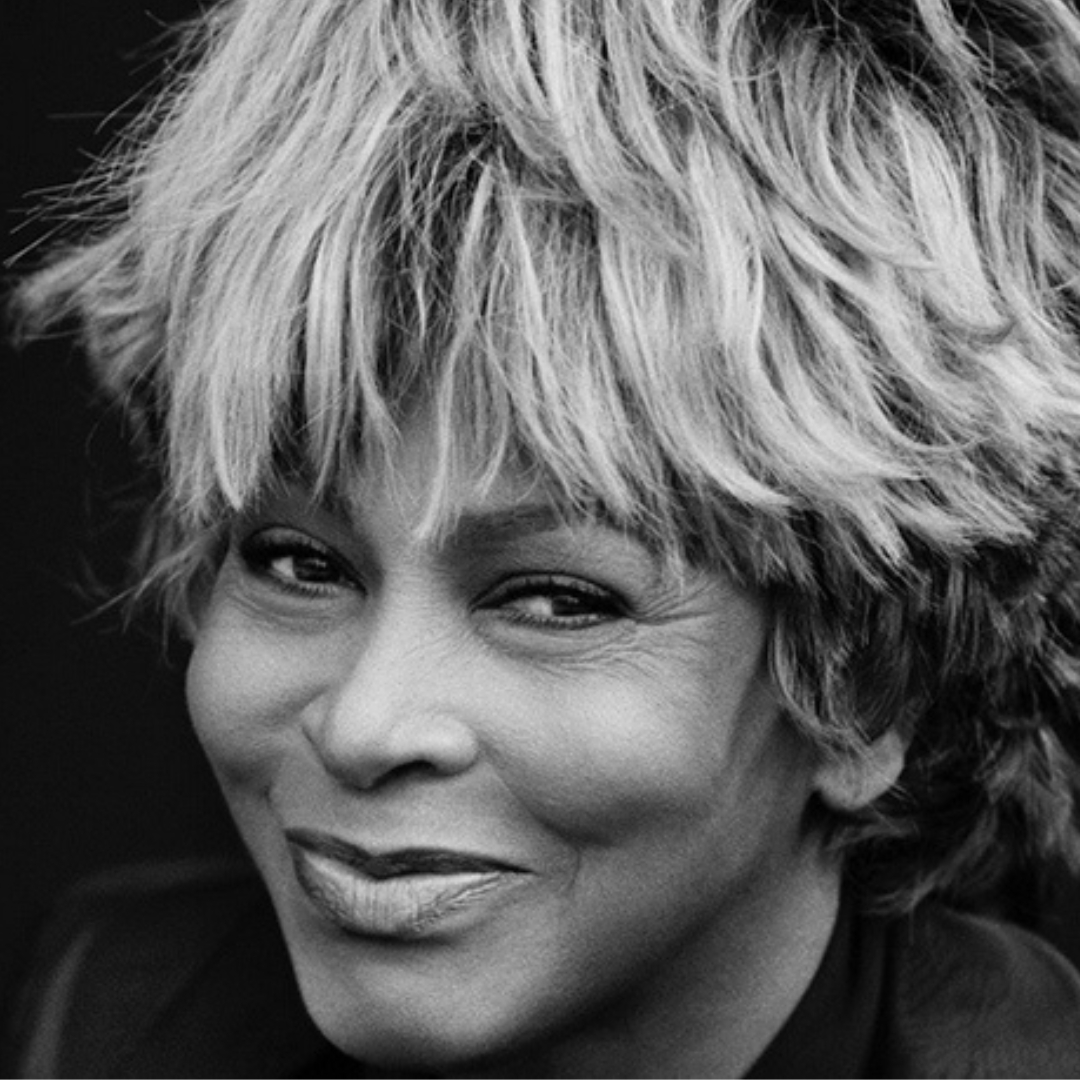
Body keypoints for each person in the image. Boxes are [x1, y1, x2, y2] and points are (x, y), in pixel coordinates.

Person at [6, 0, 1080, 1075]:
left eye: (557, 600)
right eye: (299, 562)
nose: (364, 726)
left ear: (869, 688)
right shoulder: (98, 1019)